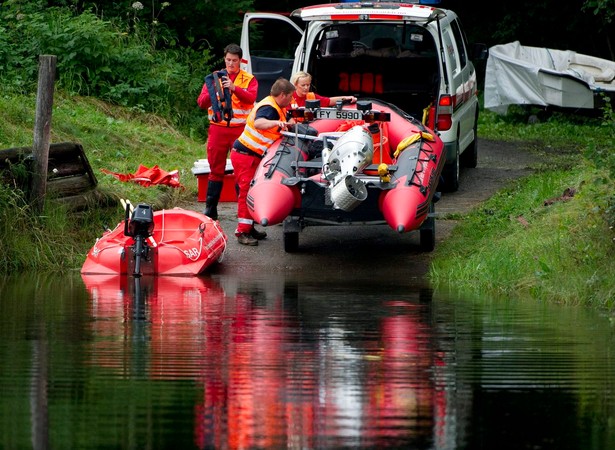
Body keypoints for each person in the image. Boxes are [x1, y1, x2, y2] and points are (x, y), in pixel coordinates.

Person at [230, 78, 296, 246]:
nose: (291, 100)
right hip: (246, 155)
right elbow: (260, 123)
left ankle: (249, 227)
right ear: (283, 95)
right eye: (290, 97)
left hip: (250, 155)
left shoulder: (275, 106)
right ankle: (242, 232)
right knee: (246, 193)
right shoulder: (269, 109)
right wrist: (276, 123)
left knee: (250, 190)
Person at [197, 43, 258, 220]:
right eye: (228, 60)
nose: (231, 64)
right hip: (218, 129)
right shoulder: (214, 77)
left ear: (241, 61)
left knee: (242, 172)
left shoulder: (249, 79)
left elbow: (251, 99)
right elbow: (201, 103)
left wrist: (234, 88)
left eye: (235, 61)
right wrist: (213, 90)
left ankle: (245, 214)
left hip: (241, 131)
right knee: (216, 169)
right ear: (224, 59)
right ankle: (211, 210)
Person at [290, 71, 356, 108]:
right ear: (295, 85)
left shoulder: (312, 96)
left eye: (308, 85)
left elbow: (329, 101)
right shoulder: (289, 97)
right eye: (303, 85)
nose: (306, 88)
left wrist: (347, 98)